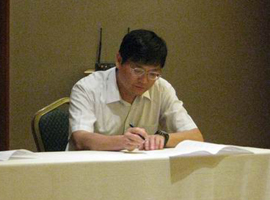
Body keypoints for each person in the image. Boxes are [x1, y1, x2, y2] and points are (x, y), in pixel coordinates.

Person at [68, 29, 203, 151]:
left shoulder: (161, 88)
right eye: (138, 70)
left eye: (153, 73)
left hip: (140, 168)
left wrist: (164, 138)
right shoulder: (87, 88)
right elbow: (80, 139)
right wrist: (122, 142)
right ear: (119, 60)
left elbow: (196, 137)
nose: (144, 80)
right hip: (91, 167)